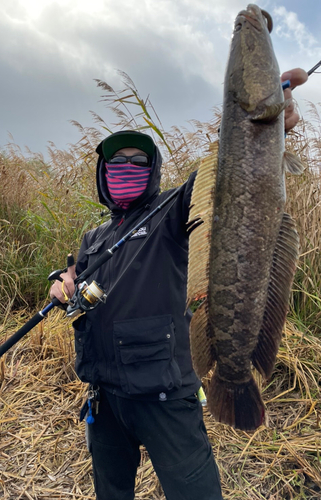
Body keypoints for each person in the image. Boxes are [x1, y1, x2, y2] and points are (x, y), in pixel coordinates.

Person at [50, 69, 308, 500]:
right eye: (117, 163)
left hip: (165, 395)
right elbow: (75, 277)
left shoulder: (171, 210)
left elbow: (223, 181)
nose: (127, 169)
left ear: (153, 172)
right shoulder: (94, 238)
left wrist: (255, 130)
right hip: (104, 396)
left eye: (138, 162)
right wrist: (62, 282)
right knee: (111, 493)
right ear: (103, 172)